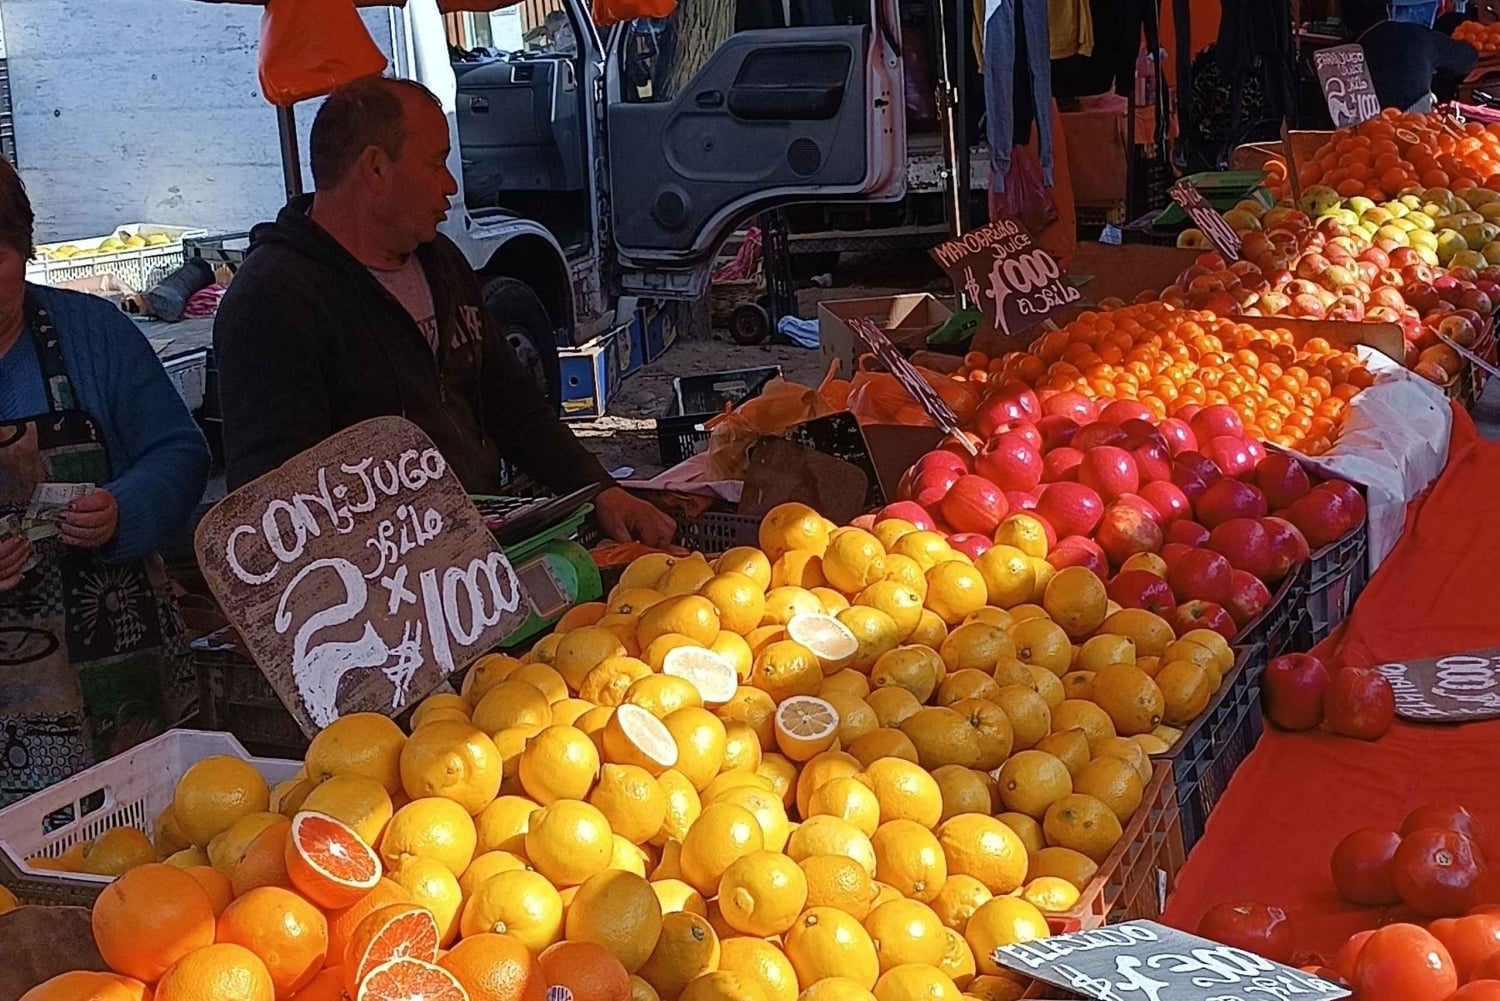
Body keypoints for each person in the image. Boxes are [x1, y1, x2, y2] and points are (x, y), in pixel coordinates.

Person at [213, 76, 676, 545]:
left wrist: (599, 489)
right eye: (436, 163)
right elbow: (272, 504)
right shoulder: (273, 300)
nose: (451, 184)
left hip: (476, 559)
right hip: (377, 592)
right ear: (375, 169)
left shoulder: (442, 261)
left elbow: (511, 403)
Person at [0, 158, 210, 805]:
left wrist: (127, 506)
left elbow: (180, 452)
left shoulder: (94, 335)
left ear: (25, 249)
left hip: (124, 696)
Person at [1345, 0, 1477, 112]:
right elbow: (1466, 58)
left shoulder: (1351, 47)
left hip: (1361, 131)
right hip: (1410, 128)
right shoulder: (1418, 38)